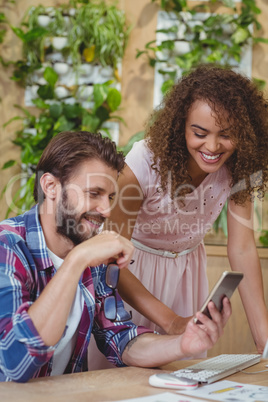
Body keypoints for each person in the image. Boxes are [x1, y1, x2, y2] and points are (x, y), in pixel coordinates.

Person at [0, 130, 231, 382]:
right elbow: (16, 364)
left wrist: (183, 345)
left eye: (110, 197)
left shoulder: (91, 254)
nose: (107, 210)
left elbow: (121, 339)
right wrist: (77, 261)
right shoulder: (8, 247)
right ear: (51, 186)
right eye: (94, 193)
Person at [106, 64, 268, 353]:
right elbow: (110, 259)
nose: (213, 146)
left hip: (186, 276)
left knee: (182, 382)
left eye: (227, 135)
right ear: (180, 125)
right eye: (200, 133)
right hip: (132, 277)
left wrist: (264, 339)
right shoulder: (143, 164)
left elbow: (242, 248)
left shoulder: (238, 168)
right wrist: (171, 322)